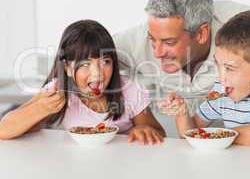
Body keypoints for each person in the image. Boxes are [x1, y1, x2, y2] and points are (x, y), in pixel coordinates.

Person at [113, 0, 250, 113]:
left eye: (169, 42)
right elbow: (88, 56)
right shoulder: (134, 41)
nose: (158, 52)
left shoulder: (244, 26)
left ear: (202, 33)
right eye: (152, 39)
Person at [0, 20, 166, 145]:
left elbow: (159, 132)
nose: (98, 73)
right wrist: (41, 108)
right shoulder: (58, 91)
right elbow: (4, 130)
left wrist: (143, 130)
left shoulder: (128, 89)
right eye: (85, 64)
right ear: (68, 68)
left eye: (105, 61)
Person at [158, 10, 250, 148]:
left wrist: (210, 136)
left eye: (229, 68)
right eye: (217, 64)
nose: (220, 76)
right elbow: (191, 134)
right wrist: (182, 114)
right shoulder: (222, 87)